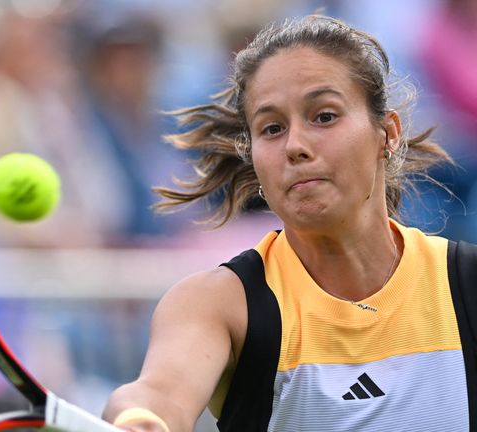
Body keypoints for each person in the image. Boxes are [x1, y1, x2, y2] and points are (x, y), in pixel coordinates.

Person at [103, 15, 475, 431]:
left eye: (325, 116)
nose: (295, 146)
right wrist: (141, 419)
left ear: (386, 134)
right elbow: (157, 393)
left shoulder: (466, 282)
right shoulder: (220, 303)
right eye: (272, 128)